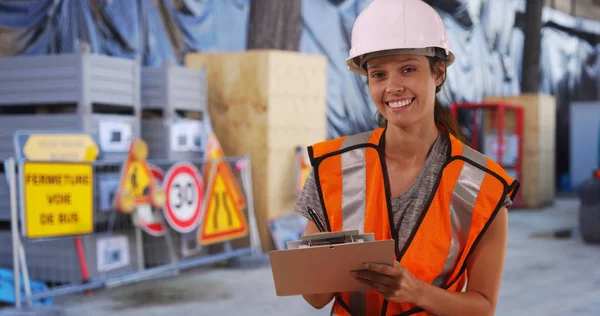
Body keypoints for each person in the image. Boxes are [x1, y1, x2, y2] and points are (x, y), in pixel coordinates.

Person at [294, 0, 520, 315]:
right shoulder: (332, 170)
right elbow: (316, 299)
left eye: (408, 69)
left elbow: (482, 307)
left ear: (438, 71)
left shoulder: (484, 186)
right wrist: (321, 267)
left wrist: (414, 291)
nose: (393, 87)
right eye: (378, 74)